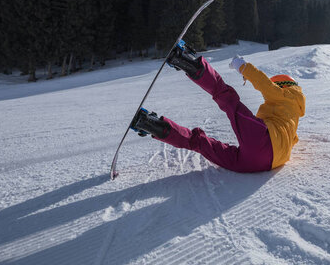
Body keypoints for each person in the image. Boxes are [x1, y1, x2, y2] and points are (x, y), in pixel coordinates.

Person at [130, 43, 306, 173]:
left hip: (263, 140)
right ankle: (151, 124)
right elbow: (293, 139)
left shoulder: (286, 95)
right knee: (200, 144)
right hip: (259, 164)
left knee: (227, 98)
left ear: (283, 85)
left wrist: (241, 66)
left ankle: (189, 62)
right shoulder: (292, 119)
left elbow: (264, 83)